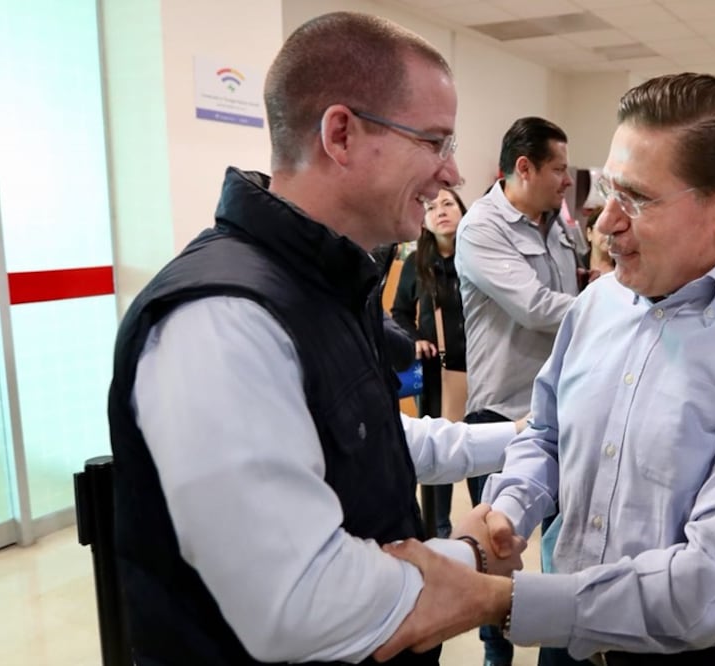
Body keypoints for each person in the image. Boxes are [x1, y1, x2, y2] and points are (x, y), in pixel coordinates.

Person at [374, 72, 715, 666]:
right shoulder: (599, 304)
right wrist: (509, 509)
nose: (604, 225)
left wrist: (499, 599)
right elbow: (548, 434)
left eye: (638, 199)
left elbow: (714, 580)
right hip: (566, 641)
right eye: (609, 192)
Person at [107, 12, 526, 665]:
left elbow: (362, 439)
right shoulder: (224, 319)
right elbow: (300, 603)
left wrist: (520, 438)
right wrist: (467, 555)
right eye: (434, 142)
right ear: (341, 134)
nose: (453, 175)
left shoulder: (325, 284)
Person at [454, 116, 580, 666]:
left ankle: (557, 638)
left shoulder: (559, 226)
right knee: (498, 547)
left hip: (560, 408)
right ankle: (494, 653)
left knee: (558, 543)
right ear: (523, 168)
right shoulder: (482, 227)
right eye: (558, 169)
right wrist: (618, 308)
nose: (567, 180)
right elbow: (533, 307)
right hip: (502, 411)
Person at [392, 188, 469, 537]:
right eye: (432, 206)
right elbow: (399, 313)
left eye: (449, 204)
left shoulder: (476, 258)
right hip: (437, 374)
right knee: (439, 451)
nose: (440, 211)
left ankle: (482, 520)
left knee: (479, 447)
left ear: (463, 211)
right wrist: (415, 339)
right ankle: (437, 528)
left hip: (480, 372)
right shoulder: (416, 264)